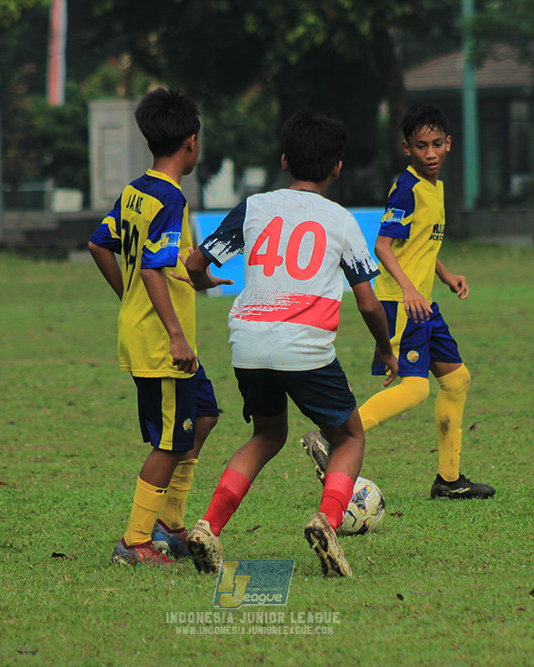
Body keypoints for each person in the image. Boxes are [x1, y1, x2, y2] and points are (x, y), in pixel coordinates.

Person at [181, 109, 398, 578]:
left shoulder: (255, 206)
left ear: (284, 159)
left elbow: (196, 262)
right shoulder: (341, 220)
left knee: (267, 434)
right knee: (350, 437)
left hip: (249, 342)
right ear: (337, 167)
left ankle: (208, 525)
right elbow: (368, 304)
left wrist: (200, 282)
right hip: (306, 347)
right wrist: (384, 348)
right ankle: (328, 520)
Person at [301, 104, 494, 500]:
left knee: (457, 380)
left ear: (448, 144)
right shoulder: (406, 189)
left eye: (437, 144)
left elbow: (418, 245)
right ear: (407, 148)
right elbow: (384, 246)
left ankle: (449, 479)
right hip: (401, 302)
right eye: (421, 146)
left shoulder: (435, 187)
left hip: (423, 303)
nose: (430, 154)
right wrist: (408, 289)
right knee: (415, 389)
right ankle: (330, 436)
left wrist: (445, 274)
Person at [88, 88, 224, 566]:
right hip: (162, 344)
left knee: (204, 414)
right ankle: (135, 541)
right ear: (191, 142)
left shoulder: (136, 190)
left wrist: (194, 278)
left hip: (151, 332)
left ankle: (170, 522)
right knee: (170, 442)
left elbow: (100, 245)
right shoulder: (169, 198)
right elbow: (149, 267)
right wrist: (174, 333)